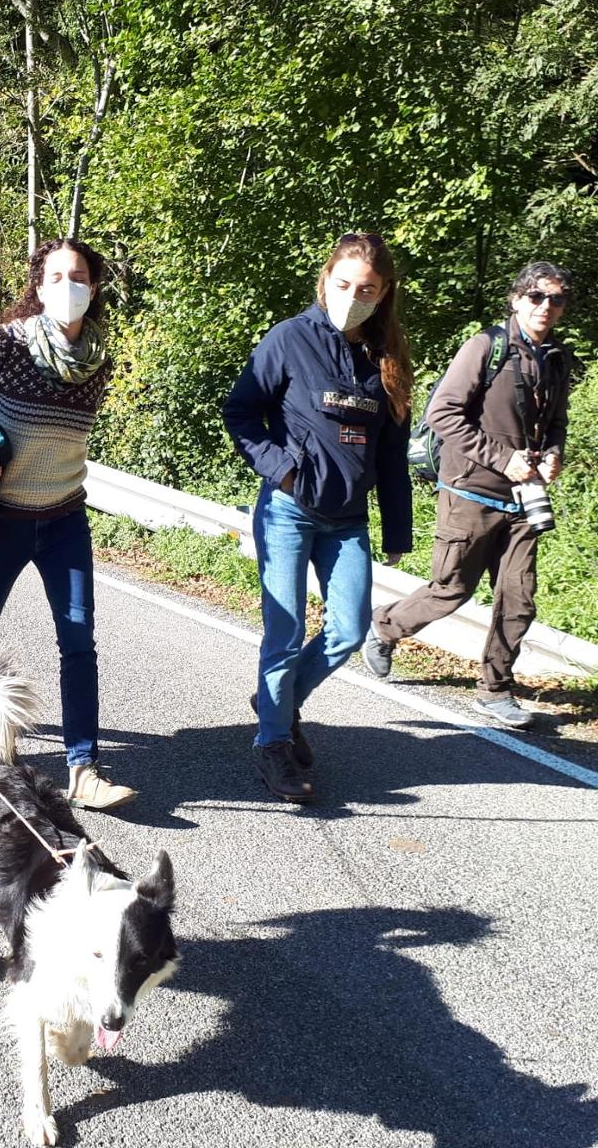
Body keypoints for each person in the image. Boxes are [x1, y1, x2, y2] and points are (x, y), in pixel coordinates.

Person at [0, 237, 137, 812]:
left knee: (79, 641)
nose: (67, 287)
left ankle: (83, 769)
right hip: (2, 516)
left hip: (67, 516)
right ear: (38, 286)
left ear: (93, 288)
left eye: (79, 277)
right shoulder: (6, 345)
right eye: (55, 277)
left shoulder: (99, 360)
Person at [221, 233, 414, 803]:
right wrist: (281, 469)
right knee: (285, 632)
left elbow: (391, 455)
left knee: (350, 630)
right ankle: (272, 742)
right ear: (326, 279)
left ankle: (276, 699)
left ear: (383, 295)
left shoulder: (385, 358)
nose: (354, 296)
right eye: (345, 284)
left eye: (368, 290)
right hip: (288, 511)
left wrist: (397, 528)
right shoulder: (289, 339)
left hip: (348, 520)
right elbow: (242, 411)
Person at [362, 263, 575, 729]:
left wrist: (554, 452)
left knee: (519, 597)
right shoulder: (487, 347)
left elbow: (555, 421)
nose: (546, 307)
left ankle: (495, 690)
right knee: (452, 588)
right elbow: (443, 414)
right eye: (538, 297)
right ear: (517, 298)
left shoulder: (557, 356)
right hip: (470, 492)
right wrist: (502, 460)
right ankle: (384, 627)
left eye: (556, 300)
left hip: (525, 498)